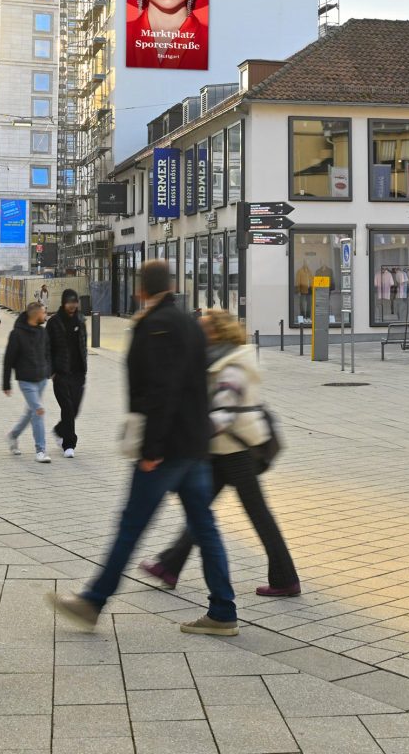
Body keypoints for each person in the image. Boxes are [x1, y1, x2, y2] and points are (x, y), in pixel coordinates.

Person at [47, 259, 237, 636]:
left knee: (131, 525)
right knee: (204, 526)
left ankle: (93, 601)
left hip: (165, 448)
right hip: (194, 445)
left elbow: (159, 393)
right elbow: (199, 386)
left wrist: (152, 450)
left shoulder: (154, 327)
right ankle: (223, 611)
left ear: (141, 290)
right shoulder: (189, 323)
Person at [141, 310, 298, 597]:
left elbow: (225, 412)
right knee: (202, 510)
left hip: (236, 449)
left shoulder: (232, 365)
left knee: (256, 514)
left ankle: (285, 578)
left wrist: (186, 437)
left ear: (216, 332)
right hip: (223, 448)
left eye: (202, 328)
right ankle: (169, 565)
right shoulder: (216, 358)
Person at [2, 301, 52, 462]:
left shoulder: (43, 332)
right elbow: (8, 360)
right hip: (26, 381)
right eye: (44, 313)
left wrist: (49, 371)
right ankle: (41, 450)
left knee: (30, 411)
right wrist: (6, 383)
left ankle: (13, 435)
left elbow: (48, 352)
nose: (46, 315)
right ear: (36, 314)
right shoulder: (17, 334)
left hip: (42, 379)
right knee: (38, 410)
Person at [49, 289, 88, 457]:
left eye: (75, 302)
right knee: (67, 408)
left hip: (78, 373)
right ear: (64, 303)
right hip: (61, 373)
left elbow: (83, 344)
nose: (72, 305)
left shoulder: (81, 319)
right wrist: (51, 371)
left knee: (75, 409)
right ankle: (69, 445)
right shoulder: (54, 322)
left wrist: (85, 365)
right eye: (69, 302)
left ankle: (59, 429)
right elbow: (47, 348)